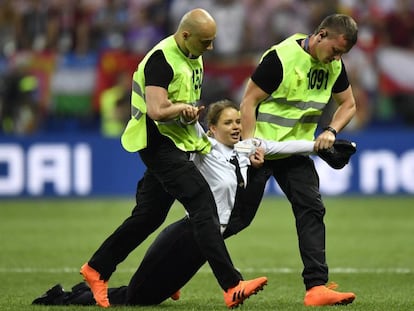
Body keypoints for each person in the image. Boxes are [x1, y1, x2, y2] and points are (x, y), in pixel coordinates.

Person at [34, 100, 322, 307]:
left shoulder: (247, 148)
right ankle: (65, 297)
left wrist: (322, 143)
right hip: (185, 238)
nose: (236, 127)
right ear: (211, 128)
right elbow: (185, 130)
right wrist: (183, 113)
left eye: (238, 121)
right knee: (136, 299)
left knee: (145, 296)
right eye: (228, 123)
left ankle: (89, 292)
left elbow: (282, 146)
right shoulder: (202, 150)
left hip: (204, 243)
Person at [79, 9, 268, 309]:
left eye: (212, 41)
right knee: (203, 204)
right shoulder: (160, 60)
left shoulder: (193, 55)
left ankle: (97, 268)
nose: (210, 48)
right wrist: (181, 109)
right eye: (205, 41)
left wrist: (188, 114)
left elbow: (181, 102)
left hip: (177, 141)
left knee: (149, 216)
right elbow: (156, 109)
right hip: (157, 143)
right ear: (185, 35)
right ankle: (232, 285)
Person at [239, 14, 358, 306]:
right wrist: (248, 146)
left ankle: (316, 287)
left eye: (342, 54)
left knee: (311, 208)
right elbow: (249, 101)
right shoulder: (280, 59)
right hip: (261, 149)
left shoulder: (334, 65)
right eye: (335, 51)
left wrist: (331, 130)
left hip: (294, 150)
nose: (336, 59)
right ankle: (170, 274)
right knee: (234, 219)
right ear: (320, 35)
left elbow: (349, 105)